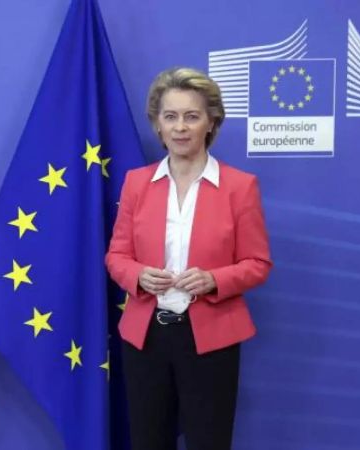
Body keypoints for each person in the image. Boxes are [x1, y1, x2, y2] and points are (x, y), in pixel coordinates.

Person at [106, 67, 272, 450]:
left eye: (192, 116)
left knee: (208, 441)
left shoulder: (239, 186)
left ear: (211, 123)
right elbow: (116, 256)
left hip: (211, 337)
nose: (180, 127)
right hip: (145, 336)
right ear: (158, 125)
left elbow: (257, 263)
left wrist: (215, 280)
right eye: (171, 116)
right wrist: (138, 275)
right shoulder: (136, 183)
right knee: (149, 440)